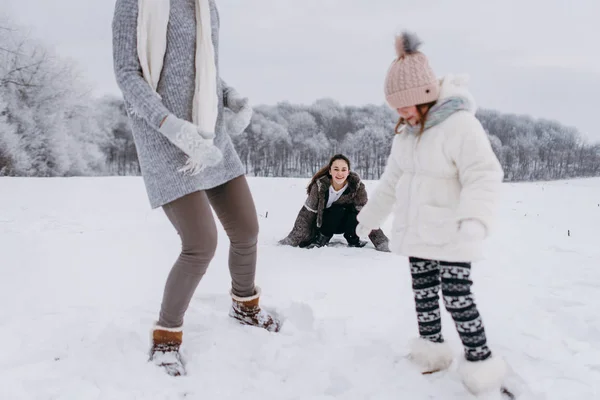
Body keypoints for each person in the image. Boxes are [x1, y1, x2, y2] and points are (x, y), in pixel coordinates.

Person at [111, 0, 280, 377]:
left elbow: (200, 65)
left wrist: (228, 95)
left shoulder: (205, 5)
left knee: (247, 229)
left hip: (209, 134)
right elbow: (127, 74)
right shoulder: (134, 4)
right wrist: (172, 126)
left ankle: (245, 305)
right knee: (200, 244)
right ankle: (165, 339)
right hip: (165, 139)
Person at [355, 32, 509, 397]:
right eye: (396, 107)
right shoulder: (406, 135)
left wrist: (475, 218)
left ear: (425, 96)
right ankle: (432, 353)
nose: (401, 113)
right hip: (419, 231)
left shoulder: (460, 126)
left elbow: (483, 174)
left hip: (454, 230)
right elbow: (392, 182)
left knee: (457, 297)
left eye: (406, 105)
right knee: (423, 293)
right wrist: (370, 216)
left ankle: (480, 362)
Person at [279, 154, 390, 252]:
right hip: (325, 224)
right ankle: (322, 238)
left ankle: (353, 239)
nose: (340, 173)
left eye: (343, 169)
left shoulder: (357, 187)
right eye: (336, 169)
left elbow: (367, 214)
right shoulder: (319, 187)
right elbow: (306, 215)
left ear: (348, 171)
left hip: (347, 225)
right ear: (330, 171)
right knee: (336, 210)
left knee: (356, 212)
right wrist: (293, 239)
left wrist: (381, 242)